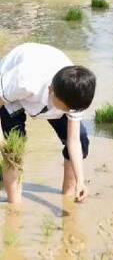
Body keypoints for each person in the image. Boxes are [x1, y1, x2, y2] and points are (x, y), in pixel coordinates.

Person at [0, 43, 95, 204]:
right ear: (51, 90)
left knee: (82, 139)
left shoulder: (77, 92)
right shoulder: (24, 80)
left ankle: (69, 196)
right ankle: (14, 209)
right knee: (14, 150)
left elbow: (74, 141)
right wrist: (2, 142)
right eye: (65, 109)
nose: (68, 113)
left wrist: (81, 180)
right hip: (11, 96)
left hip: (51, 90)